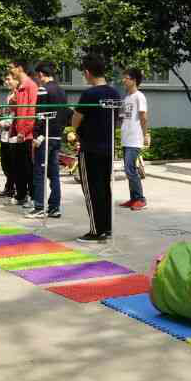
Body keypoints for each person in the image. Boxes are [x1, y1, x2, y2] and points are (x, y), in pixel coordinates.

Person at [70, 56, 120, 242]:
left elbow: (76, 119)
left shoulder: (89, 94)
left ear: (87, 72)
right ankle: (107, 227)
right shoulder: (115, 93)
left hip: (90, 148)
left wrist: (76, 131)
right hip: (108, 148)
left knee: (92, 190)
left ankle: (96, 230)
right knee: (105, 188)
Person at [28, 60, 68, 219]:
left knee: (39, 172)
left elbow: (40, 115)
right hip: (57, 136)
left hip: (44, 137)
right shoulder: (62, 91)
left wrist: (37, 136)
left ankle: (39, 206)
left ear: (40, 74)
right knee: (54, 174)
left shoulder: (43, 89)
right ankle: (54, 207)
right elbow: (65, 114)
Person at [118, 67, 149, 211]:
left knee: (130, 169)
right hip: (126, 138)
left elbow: (143, 117)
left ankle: (141, 199)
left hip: (135, 139)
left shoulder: (139, 96)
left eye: (126, 78)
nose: (123, 80)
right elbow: (124, 117)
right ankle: (133, 198)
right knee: (128, 170)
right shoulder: (127, 97)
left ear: (134, 80)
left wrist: (146, 134)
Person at [8, 60, 38, 207]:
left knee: (28, 167)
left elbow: (32, 110)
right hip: (18, 134)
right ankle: (21, 195)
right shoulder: (19, 87)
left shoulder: (31, 86)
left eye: (11, 68)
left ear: (19, 68)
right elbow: (14, 108)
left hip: (27, 135)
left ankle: (33, 196)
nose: (10, 71)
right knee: (18, 166)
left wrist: (24, 131)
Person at [0, 72, 18, 198]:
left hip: (13, 134)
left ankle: (13, 188)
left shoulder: (19, 94)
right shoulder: (9, 94)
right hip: (5, 134)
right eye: (6, 79)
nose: (6, 82)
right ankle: (10, 187)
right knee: (5, 164)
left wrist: (5, 122)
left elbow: (15, 115)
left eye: (9, 79)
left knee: (12, 164)